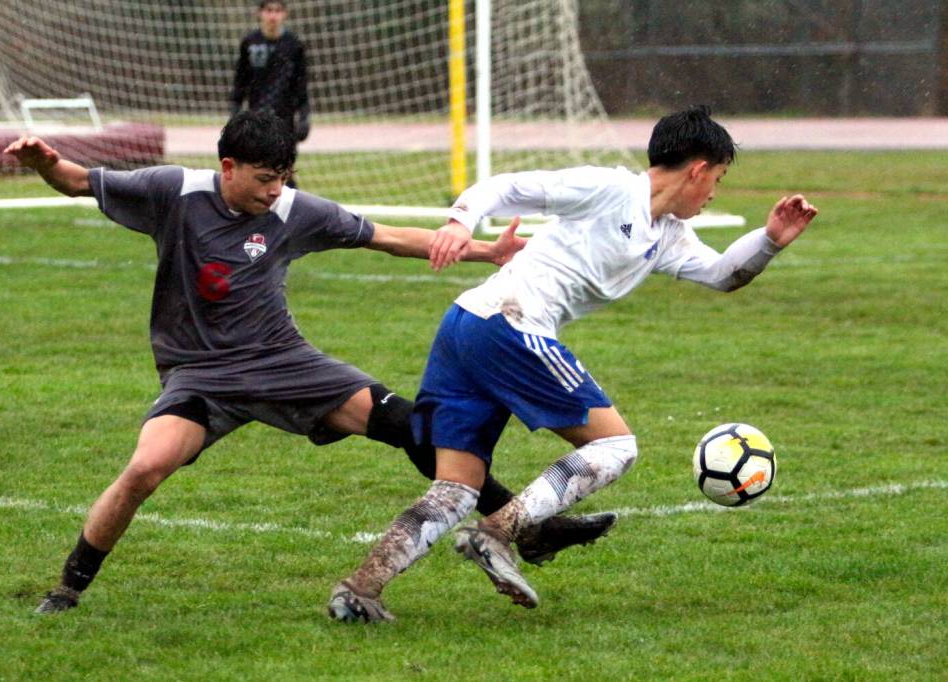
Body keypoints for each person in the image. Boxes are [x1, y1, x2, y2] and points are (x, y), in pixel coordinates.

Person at [3, 110, 618, 615]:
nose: (275, 190)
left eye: (283, 177)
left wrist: (483, 250)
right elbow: (81, 180)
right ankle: (67, 589)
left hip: (285, 364)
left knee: (412, 425)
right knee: (145, 469)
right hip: (200, 376)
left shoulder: (292, 211)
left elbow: (383, 236)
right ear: (228, 168)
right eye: (265, 178)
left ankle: (525, 530)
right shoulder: (174, 192)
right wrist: (44, 162)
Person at [328, 105, 819, 622]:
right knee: (616, 446)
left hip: (465, 326)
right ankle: (499, 532)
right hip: (508, 326)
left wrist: (769, 242)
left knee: (455, 489)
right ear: (698, 169)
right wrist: (459, 222)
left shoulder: (668, 234)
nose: (714, 192)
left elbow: (723, 275)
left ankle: (361, 589)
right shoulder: (609, 188)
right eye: (716, 178)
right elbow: (506, 187)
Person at [231, 0, 309, 187]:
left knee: (284, 171)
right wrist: (234, 114)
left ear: (285, 14)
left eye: (277, 10)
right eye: (268, 10)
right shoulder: (250, 43)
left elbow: (301, 86)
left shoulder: (294, 45)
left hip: (285, 118)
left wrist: (304, 117)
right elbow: (240, 84)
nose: (273, 15)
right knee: (258, 170)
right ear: (260, 13)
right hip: (257, 117)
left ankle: (290, 210)